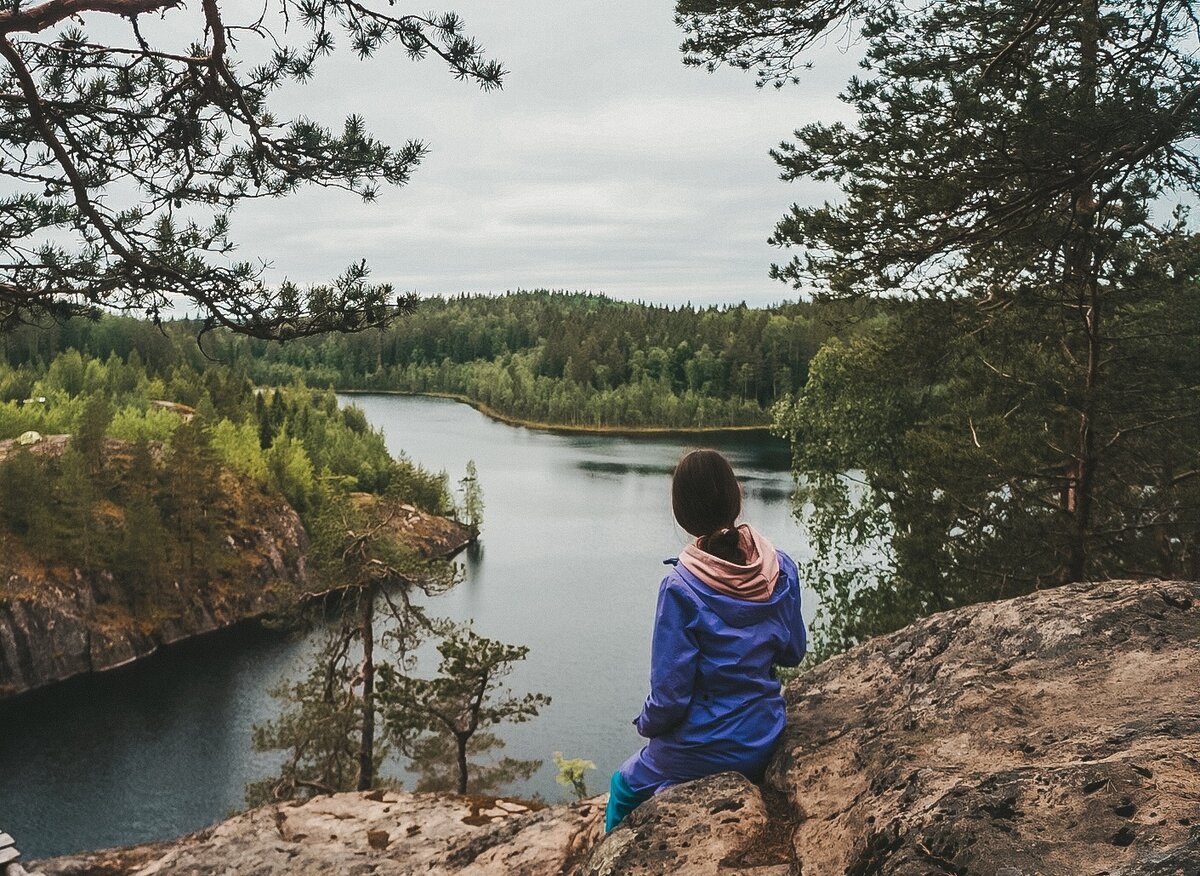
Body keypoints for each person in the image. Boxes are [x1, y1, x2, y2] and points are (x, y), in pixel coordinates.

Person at [605, 448, 806, 832]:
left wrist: (646, 723)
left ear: (681, 513)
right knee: (665, 786)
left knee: (622, 788)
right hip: (764, 734)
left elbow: (670, 697)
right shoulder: (781, 568)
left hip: (703, 745)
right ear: (737, 496)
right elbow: (794, 652)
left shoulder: (680, 588)